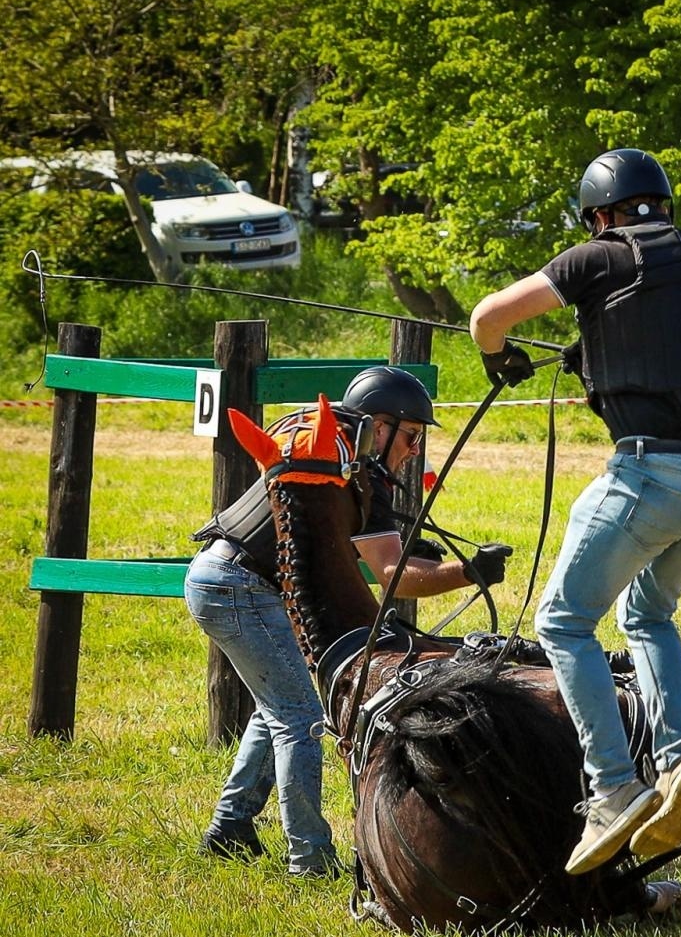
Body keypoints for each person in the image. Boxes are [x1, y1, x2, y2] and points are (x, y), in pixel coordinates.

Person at [469, 148, 681, 875]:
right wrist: (591, 345)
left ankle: (614, 789)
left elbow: (488, 316)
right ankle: (679, 765)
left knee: (563, 620)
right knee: (649, 615)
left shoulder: (596, 258)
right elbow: (663, 334)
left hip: (655, 474)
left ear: (599, 216)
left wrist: (497, 357)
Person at [186, 366, 512, 876]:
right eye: (410, 436)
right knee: (298, 716)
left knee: (276, 706)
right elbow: (394, 578)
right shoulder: (347, 464)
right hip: (240, 584)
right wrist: (468, 572)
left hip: (225, 576)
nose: (412, 451)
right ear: (378, 427)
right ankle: (310, 858)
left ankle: (231, 828)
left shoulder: (337, 452)